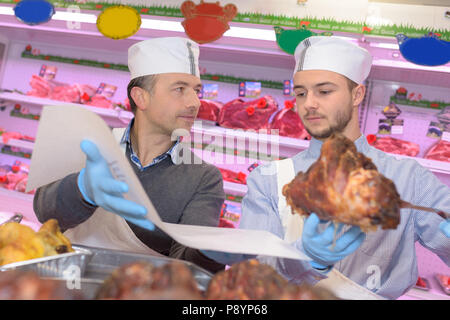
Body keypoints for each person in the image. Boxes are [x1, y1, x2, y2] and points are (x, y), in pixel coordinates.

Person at [203, 36, 450, 299]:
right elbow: (252, 278)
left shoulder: (409, 179)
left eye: (324, 91)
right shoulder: (269, 180)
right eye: (301, 93)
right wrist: (305, 257)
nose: (309, 103)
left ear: (357, 94)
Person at [33, 37, 226, 273]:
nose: (195, 102)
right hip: (61, 281)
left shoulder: (203, 177)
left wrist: (210, 252)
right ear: (140, 97)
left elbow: (188, 267)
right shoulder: (91, 145)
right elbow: (43, 211)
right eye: (179, 89)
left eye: (197, 90)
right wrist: (82, 189)